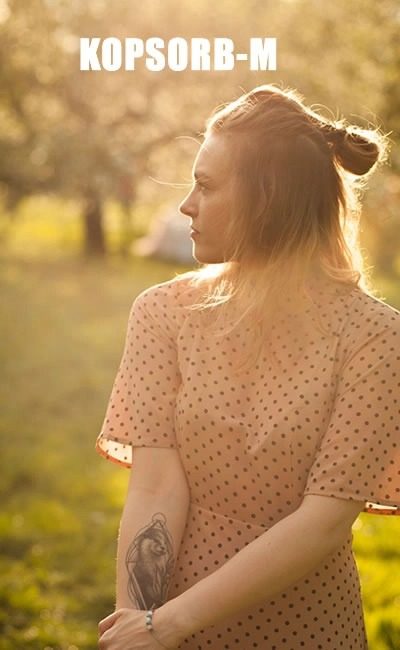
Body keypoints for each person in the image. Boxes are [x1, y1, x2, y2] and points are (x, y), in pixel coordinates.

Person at [96, 84, 400, 650]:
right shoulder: (163, 313)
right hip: (166, 621)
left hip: (305, 628)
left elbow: (323, 522)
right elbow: (156, 486)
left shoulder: (376, 338)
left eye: (207, 185)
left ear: (269, 199)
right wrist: (138, 624)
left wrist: (169, 623)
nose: (187, 205)